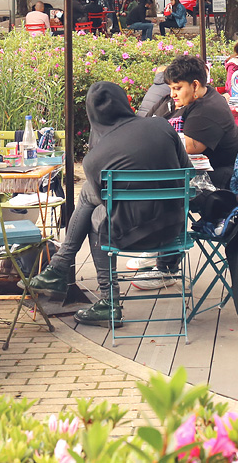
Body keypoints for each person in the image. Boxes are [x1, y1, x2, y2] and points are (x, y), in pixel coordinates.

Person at [31, 82, 194, 323]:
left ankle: (106, 298)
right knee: (95, 203)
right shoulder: (161, 125)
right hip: (174, 230)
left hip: (130, 235)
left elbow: (103, 202)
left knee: (95, 210)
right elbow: (188, 173)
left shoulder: (95, 159)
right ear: (124, 102)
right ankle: (60, 266)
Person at [164, 54, 238, 188]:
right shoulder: (182, 100)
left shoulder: (209, 108)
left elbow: (189, 148)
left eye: (177, 88)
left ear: (195, 85)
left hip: (214, 178)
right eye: (171, 88)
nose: (172, 95)